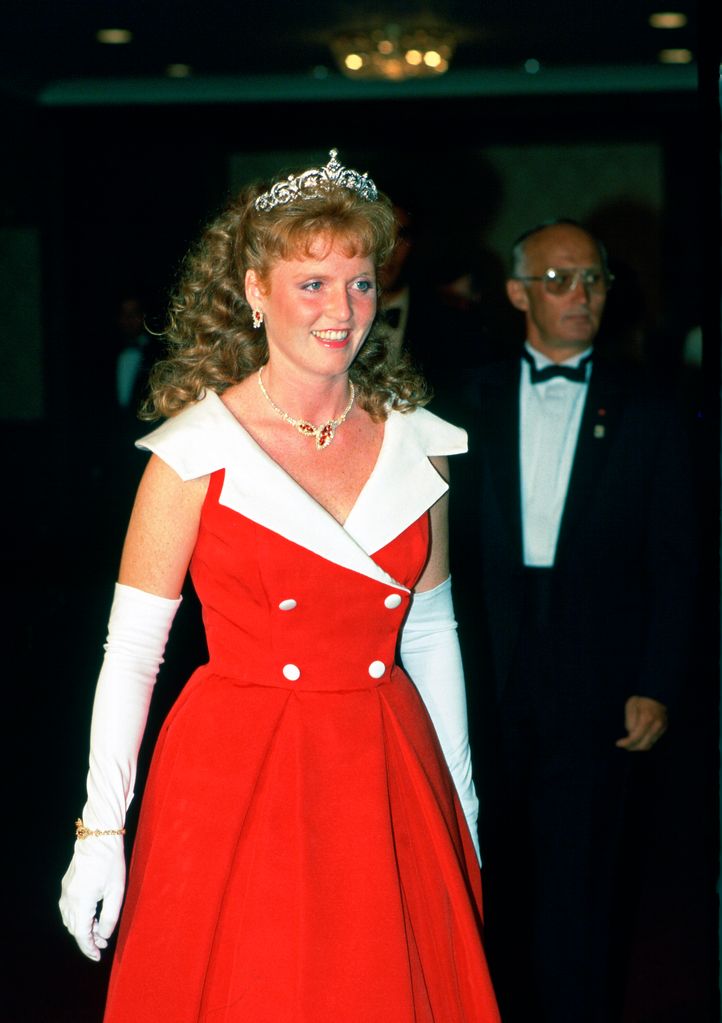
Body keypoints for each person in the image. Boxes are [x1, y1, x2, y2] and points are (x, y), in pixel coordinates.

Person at [59, 150, 500, 1023]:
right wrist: (100, 830)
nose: (342, 311)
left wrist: (463, 801)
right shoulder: (193, 451)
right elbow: (133, 653)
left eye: (362, 283)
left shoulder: (420, 442)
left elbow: (432, 631)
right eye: (312, 284)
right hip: (240, 772)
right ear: (257, 290)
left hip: (385, 763)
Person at [454, 219, 697, 1022]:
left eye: (592, 279)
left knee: (582, 888)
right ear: (519, 293)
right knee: (479, 878)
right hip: (485, 669)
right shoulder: (465, 399)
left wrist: (656, 683)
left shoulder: (653, 407)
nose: (580, 295)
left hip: (597, 679)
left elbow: (678, 560)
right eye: (558, 280)